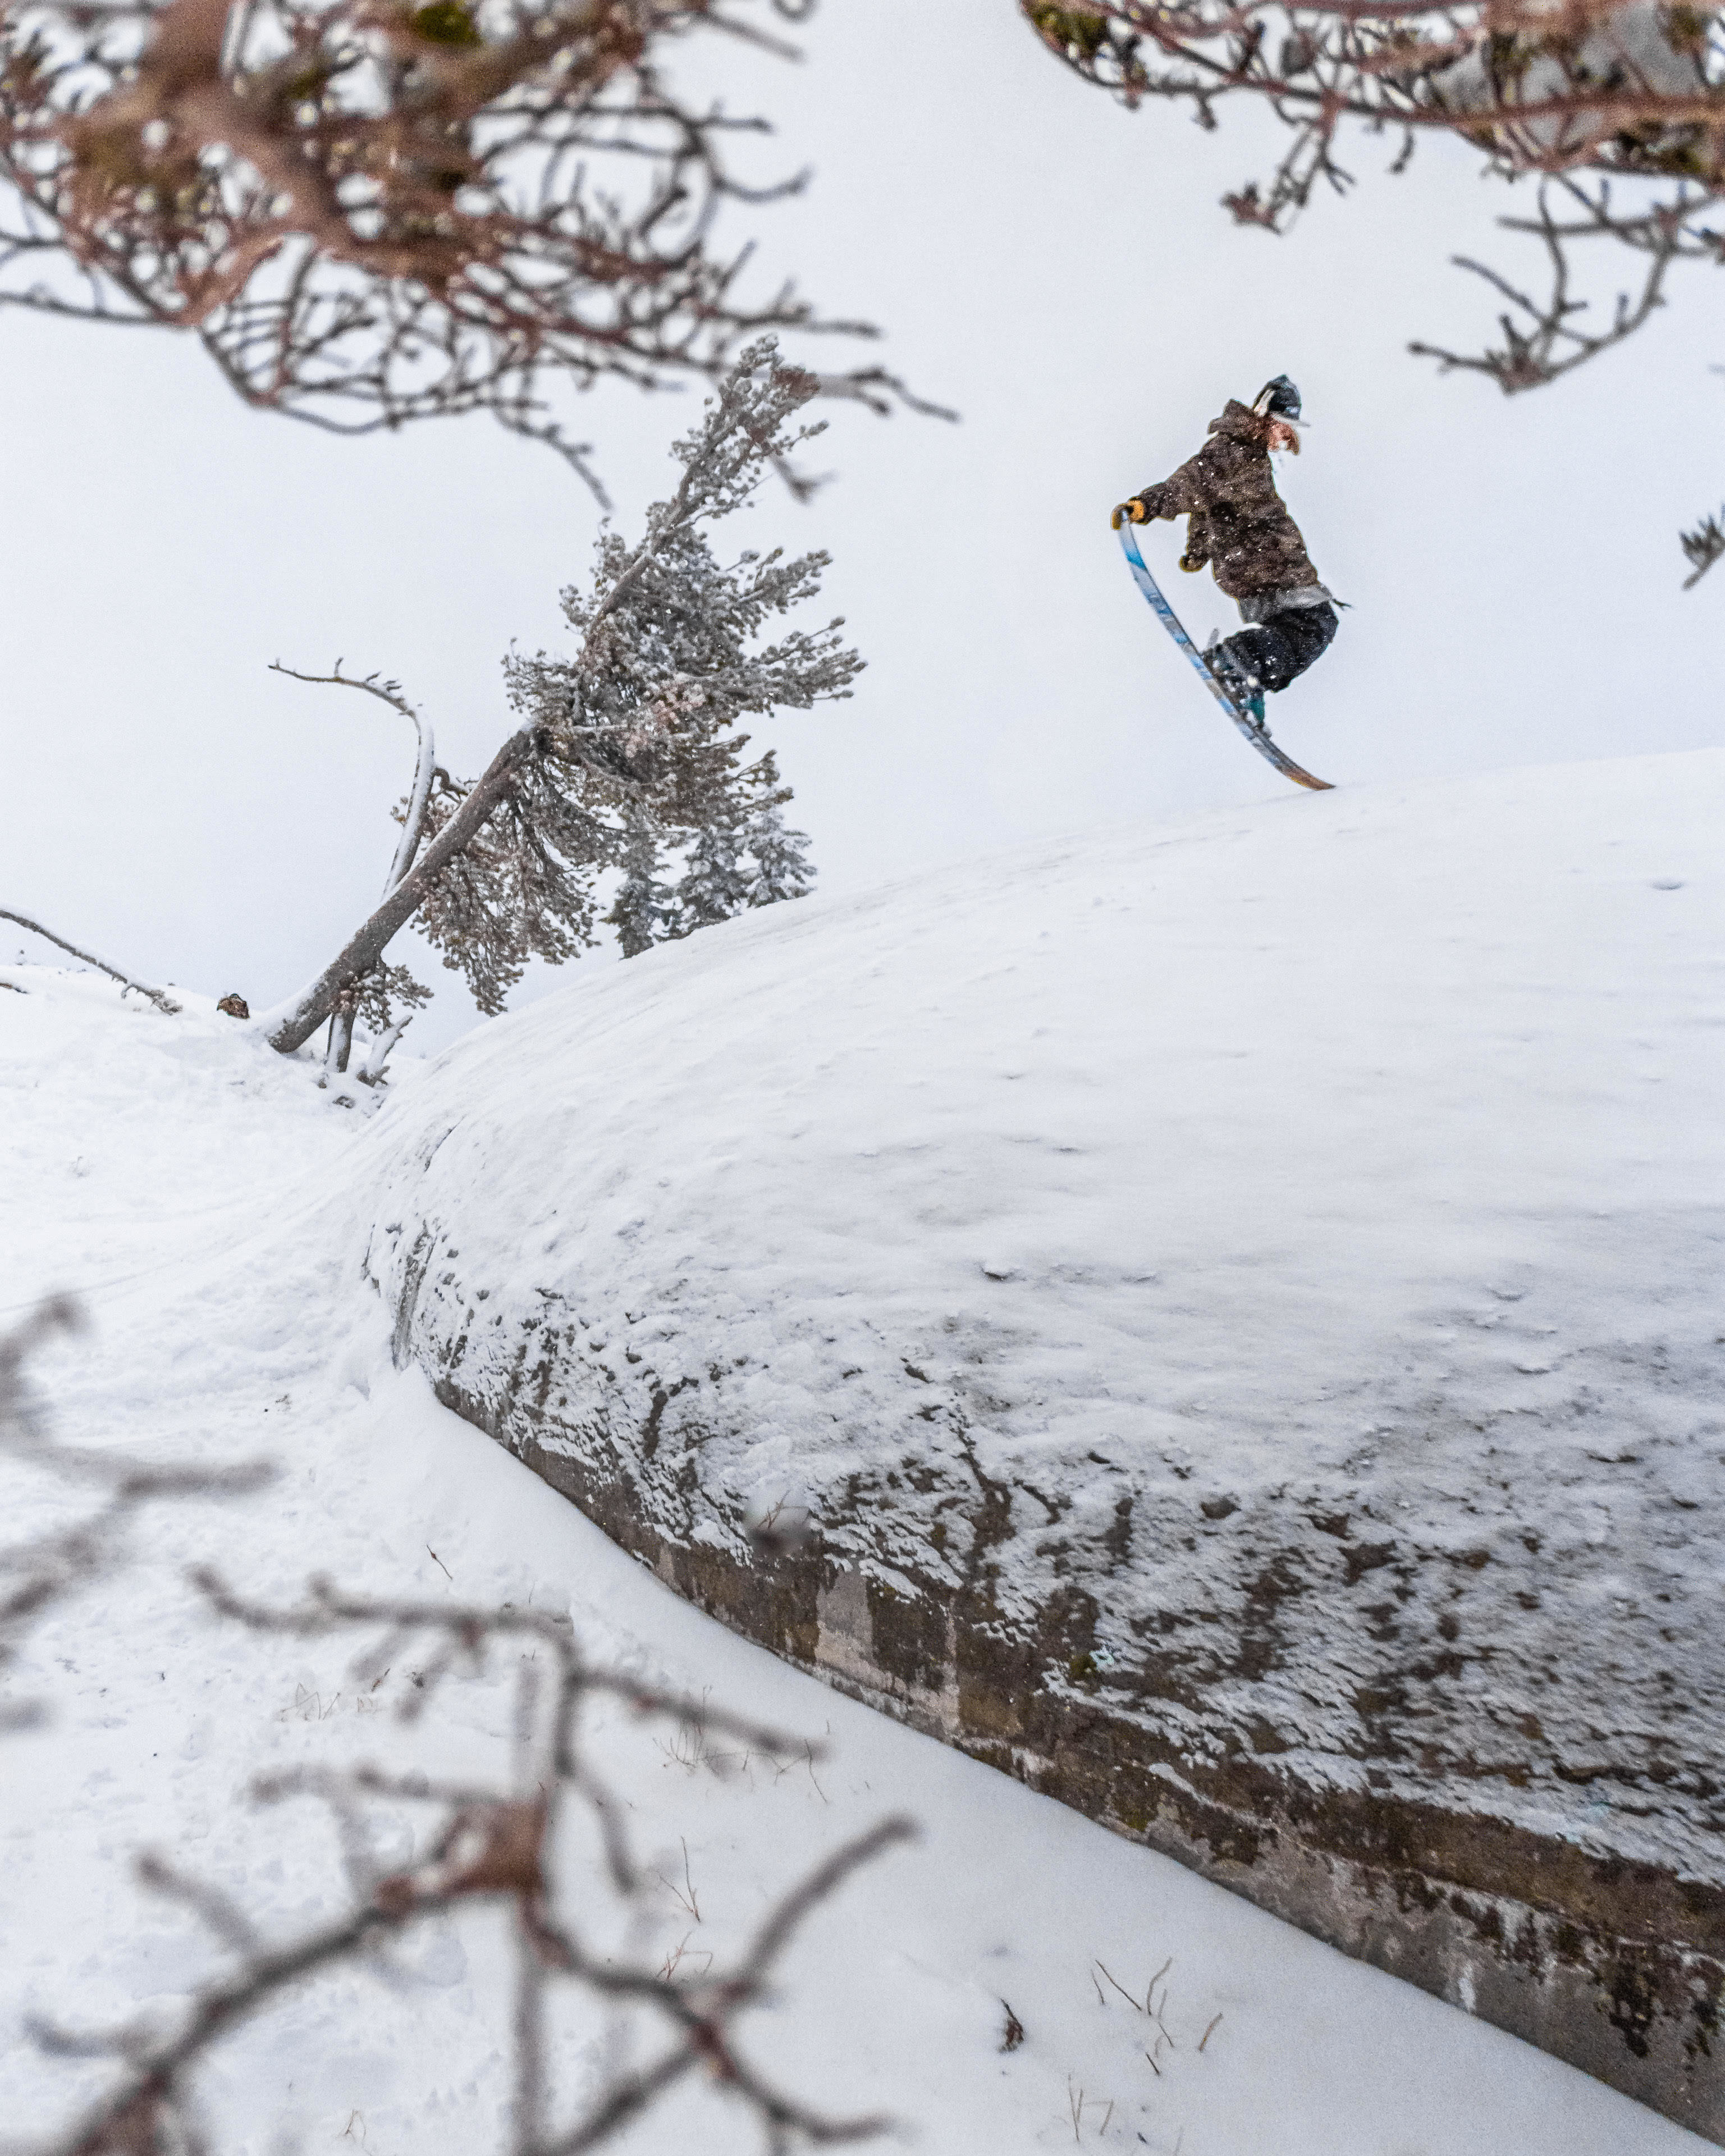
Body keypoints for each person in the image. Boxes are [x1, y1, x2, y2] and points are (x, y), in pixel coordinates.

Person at [1112, 376, 1337, 717]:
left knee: (1309, 627)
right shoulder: (1232, 452)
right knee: (1316, 624)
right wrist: (1144, 506)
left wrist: (1198, 551)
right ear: (1264, 415)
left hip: (1269, 563)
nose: (1286, 437)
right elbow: (1188, 486)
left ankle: (1247, 679)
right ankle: (1235, 664)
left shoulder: (1249, 455)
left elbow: (1214, 508)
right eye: (1283, 427)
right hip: (1264, 565)